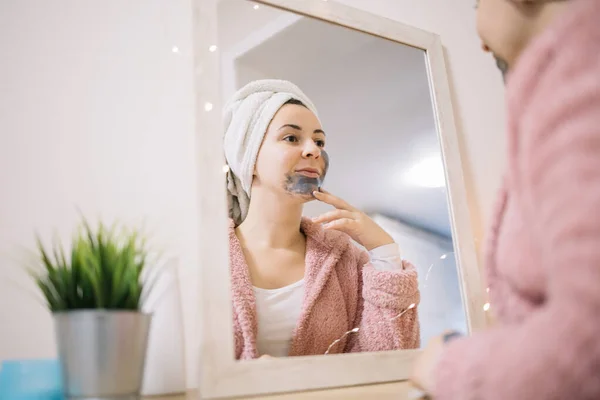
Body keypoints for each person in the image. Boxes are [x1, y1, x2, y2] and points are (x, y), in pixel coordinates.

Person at [411, 0, 600, 398]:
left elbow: (588, 345)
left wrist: (449, 368)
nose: (480, 44)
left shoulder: (581, 72)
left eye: (477, 4)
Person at [223, 79, 420, 359]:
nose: (314, 150)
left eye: (319, 141)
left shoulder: (348, 263)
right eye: (291, 137)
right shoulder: (207, 258)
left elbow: (388, 363)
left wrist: (384, 250)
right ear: (248, 158)